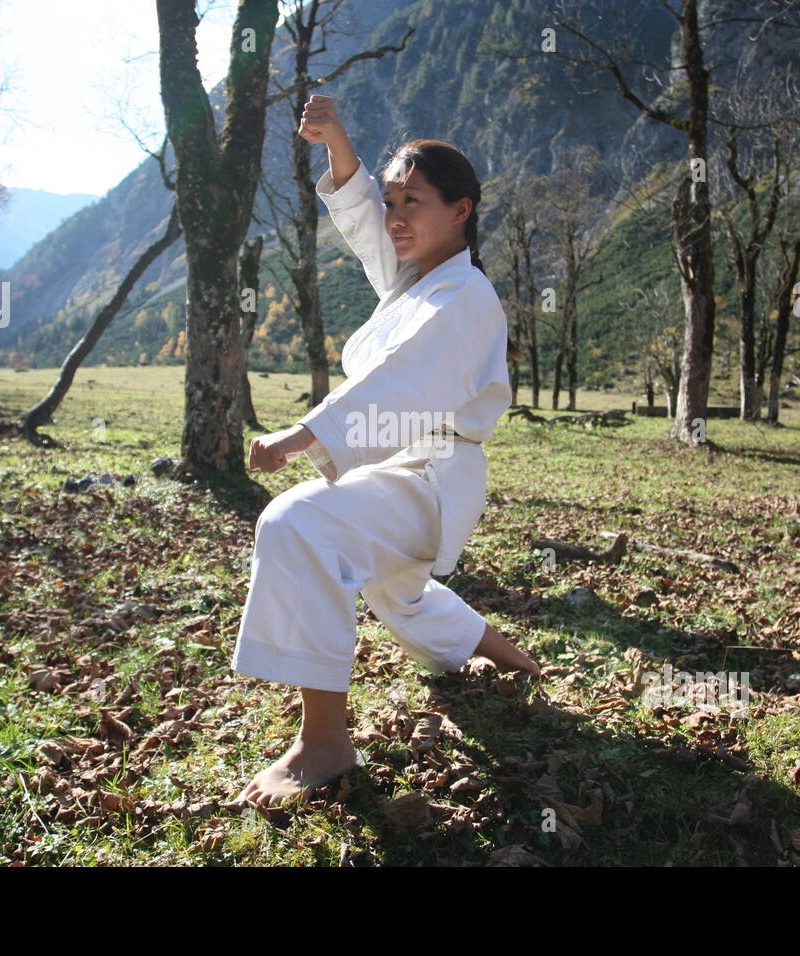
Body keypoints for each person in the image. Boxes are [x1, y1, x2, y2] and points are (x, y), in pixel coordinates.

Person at [228, 93, 539, 810]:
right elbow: (364, 215)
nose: (397, 216)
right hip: (395, 466)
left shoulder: (464, 297)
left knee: (297, 524)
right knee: (400, 590)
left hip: (431, 474)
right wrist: (336, 138)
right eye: (393, 199)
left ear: (460, 211)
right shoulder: (416, 279)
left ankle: (325, 743)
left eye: (415, 202)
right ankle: (505, 652)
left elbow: (402, 382)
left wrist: (302, 434)